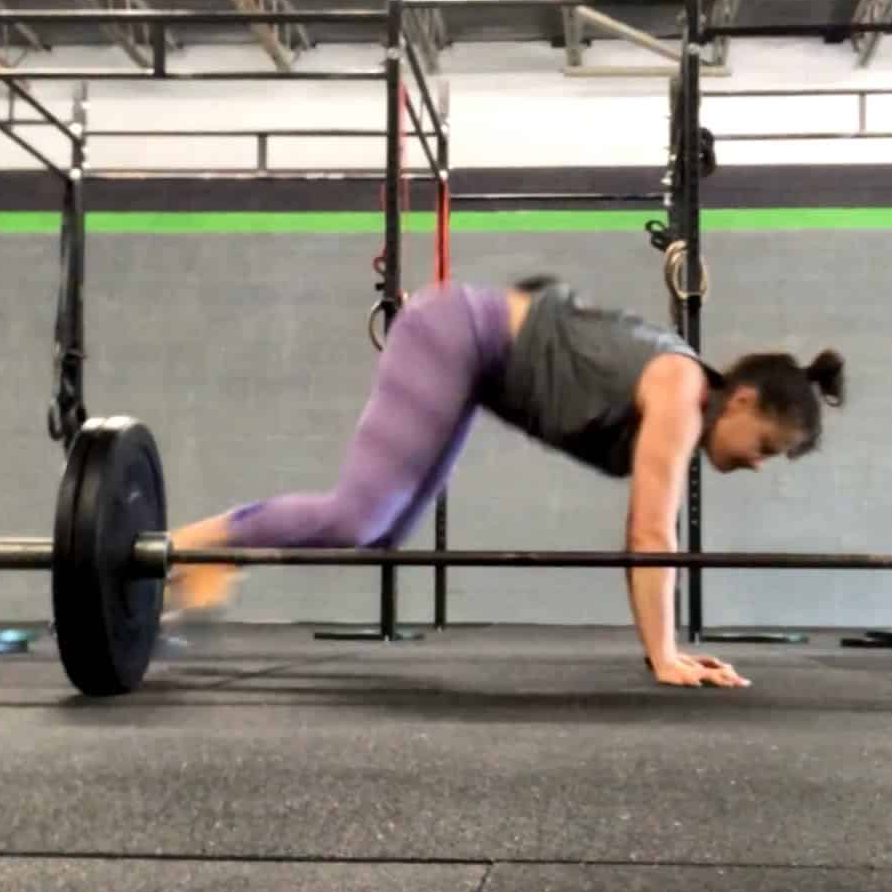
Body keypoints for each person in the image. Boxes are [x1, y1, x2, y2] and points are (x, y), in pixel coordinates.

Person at [168, 277, 845, 687]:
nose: (758, 463)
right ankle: (198, 546)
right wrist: (664, 656)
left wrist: (666, 650)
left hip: (472, 356)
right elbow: (649, 531)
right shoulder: (681, 390)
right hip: (456, 334)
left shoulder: (680, 389)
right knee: (358, 517)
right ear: (743, 400)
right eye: (764, 446)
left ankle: (206, 553)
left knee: (378, 532)